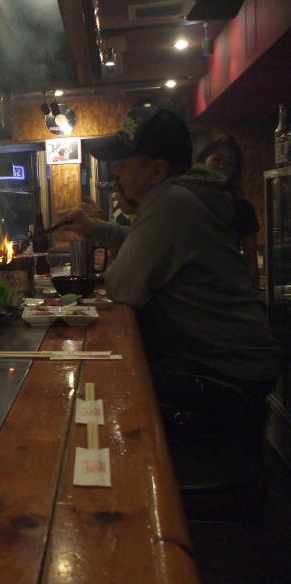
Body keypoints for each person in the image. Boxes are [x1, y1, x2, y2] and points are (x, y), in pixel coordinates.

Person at [56, 106, 280, 452]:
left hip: (226, 375)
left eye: (125, 163)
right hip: (240, 365)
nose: (116, 172)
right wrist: (97, 229)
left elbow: (121, 286)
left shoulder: (170, 202)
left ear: (157, 170)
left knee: (99, 384)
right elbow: (152, 247)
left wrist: (115, 254)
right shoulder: (184, 195)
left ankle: (132, 493)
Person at [196, 136, 260, 291]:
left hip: (229, 285)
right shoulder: (188, 198)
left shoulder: (241, 207)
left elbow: (251, 259)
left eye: (230, 163)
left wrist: (252, 298)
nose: (223, 166)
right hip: (192, 285)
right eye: (217, 159)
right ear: (204, 160)